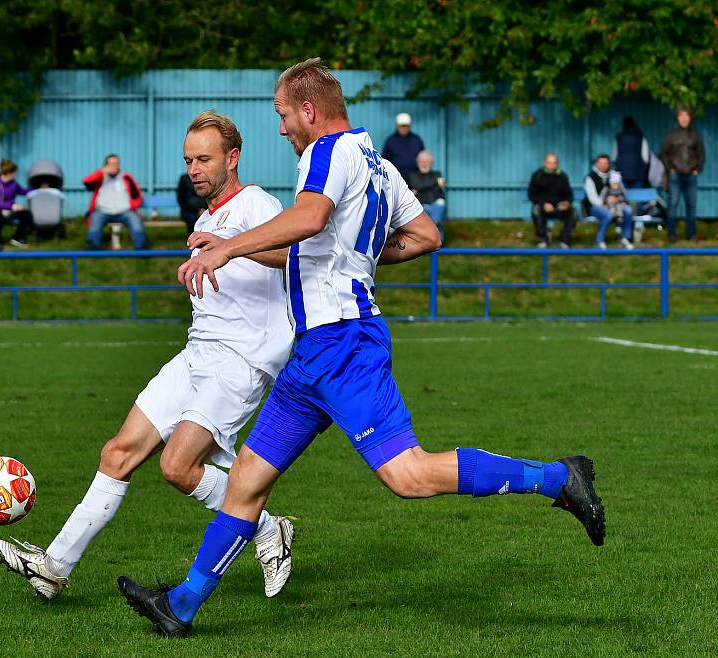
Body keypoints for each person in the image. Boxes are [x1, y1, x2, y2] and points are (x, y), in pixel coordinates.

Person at [117, 58, 606, 638]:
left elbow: (310, 216)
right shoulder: (377, 162)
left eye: (281, 115)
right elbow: (425, 235)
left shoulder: (325, 151)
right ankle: (182, 606)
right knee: (247, 478)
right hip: (314, 354)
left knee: (409, 476)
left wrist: (226, 249)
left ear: (307, 109)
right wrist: (351, 255)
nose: (280, 130)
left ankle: (557, 477)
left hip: (345, 345)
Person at [0, 111, 297, 601]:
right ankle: (54, 566)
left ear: (233, 158)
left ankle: (265, 527)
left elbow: (294, 253)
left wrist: (229, 248)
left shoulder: (256, 204)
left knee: (177, 468)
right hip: (197, 353)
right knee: (117, 453)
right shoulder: (205, 217)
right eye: (188, 160)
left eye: (204, 159)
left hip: (241, 361)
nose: (194, 168)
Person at [660, 108, 706, 242]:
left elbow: (701, 154)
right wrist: (670, 169)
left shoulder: (695, 135)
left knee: (691, 206)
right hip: (675, 175)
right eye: (681, 116)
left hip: (691, 175)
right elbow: (664, 154)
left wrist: (698, 168)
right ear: (678, 118)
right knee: (673, 204)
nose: (684, 118)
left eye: (687, 116)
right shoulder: (670, 135)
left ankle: (691, 234)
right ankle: (671, 234)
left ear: (690, 118)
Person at [83, 154, 147, 249]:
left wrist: (133, 207)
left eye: (116, 163)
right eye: (111, 163)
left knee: (137, 225)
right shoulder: (100, 177)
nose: (114, 165)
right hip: (102, 211)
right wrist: (101, 172)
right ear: (106, 165)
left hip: (125, 211)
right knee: (94, 228)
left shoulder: (126, 177)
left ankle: (141, 249)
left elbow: (137, 194)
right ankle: (92, 249)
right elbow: (86, 181)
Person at [583, 154, 634, 250]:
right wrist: (604, 204)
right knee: (607, 214)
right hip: (595, 206)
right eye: (600, 163)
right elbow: (592, 198)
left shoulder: (615, 175)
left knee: (628, 210)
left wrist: (619, 200)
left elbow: (623, 192)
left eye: (605, 163)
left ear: (609, 164)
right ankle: (599, 241)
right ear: (596, 164)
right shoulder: (590, 178)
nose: (603, 165)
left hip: (616, 204)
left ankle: (625, 238)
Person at [527, 153, 576, 248]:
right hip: (543, 207)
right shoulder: (537, 175)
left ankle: (564, 241)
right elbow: (532, 194)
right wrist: (543, 204)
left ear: (557, 164)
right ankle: (542, 240)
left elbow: (569, 194)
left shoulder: (563, 176)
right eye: (549, 163)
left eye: (554, 163)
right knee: (535, 209)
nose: (551, 166)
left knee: (574, 212)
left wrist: (567, 202)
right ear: (545, 163)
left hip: (559, 207)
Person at [0, 159, 34, 249]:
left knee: (27, 215)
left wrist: (37, 188)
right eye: (14, 173)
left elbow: (22, 191)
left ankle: (17, 238)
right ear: (9, 173)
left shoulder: (13, 184)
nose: (15, 175)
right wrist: (9, 206)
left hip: (11, 210)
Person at [408, 150, 446, 230]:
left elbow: (420, 187)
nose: (424, 164)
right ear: (418, 163)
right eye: (422, 162)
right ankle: (435, 230)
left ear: (431, 163)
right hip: (421, 206)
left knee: (440, 204)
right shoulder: (413, 175)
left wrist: (420, 188)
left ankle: (433, 225)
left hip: (435, 205)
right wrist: (435, 182)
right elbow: (417, 185)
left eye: (427, 162)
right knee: (427, 210)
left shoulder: (437, 174)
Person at [381, 112, 425, 182]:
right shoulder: (391, 141)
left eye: (406, 126)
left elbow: (423, 157)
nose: (404, 128)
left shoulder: (416, 140)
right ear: (397, 126)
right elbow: (384, 160)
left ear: (410, 126)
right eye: (402, 126)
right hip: (396, 178)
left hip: (415, 180)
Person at [612, 117, 650, 188]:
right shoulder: (640, 136)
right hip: (638, 172)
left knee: (623, 196)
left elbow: (614, 156)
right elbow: (645, 157)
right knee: (637, 196)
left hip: (622, 172)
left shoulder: (619, 137)